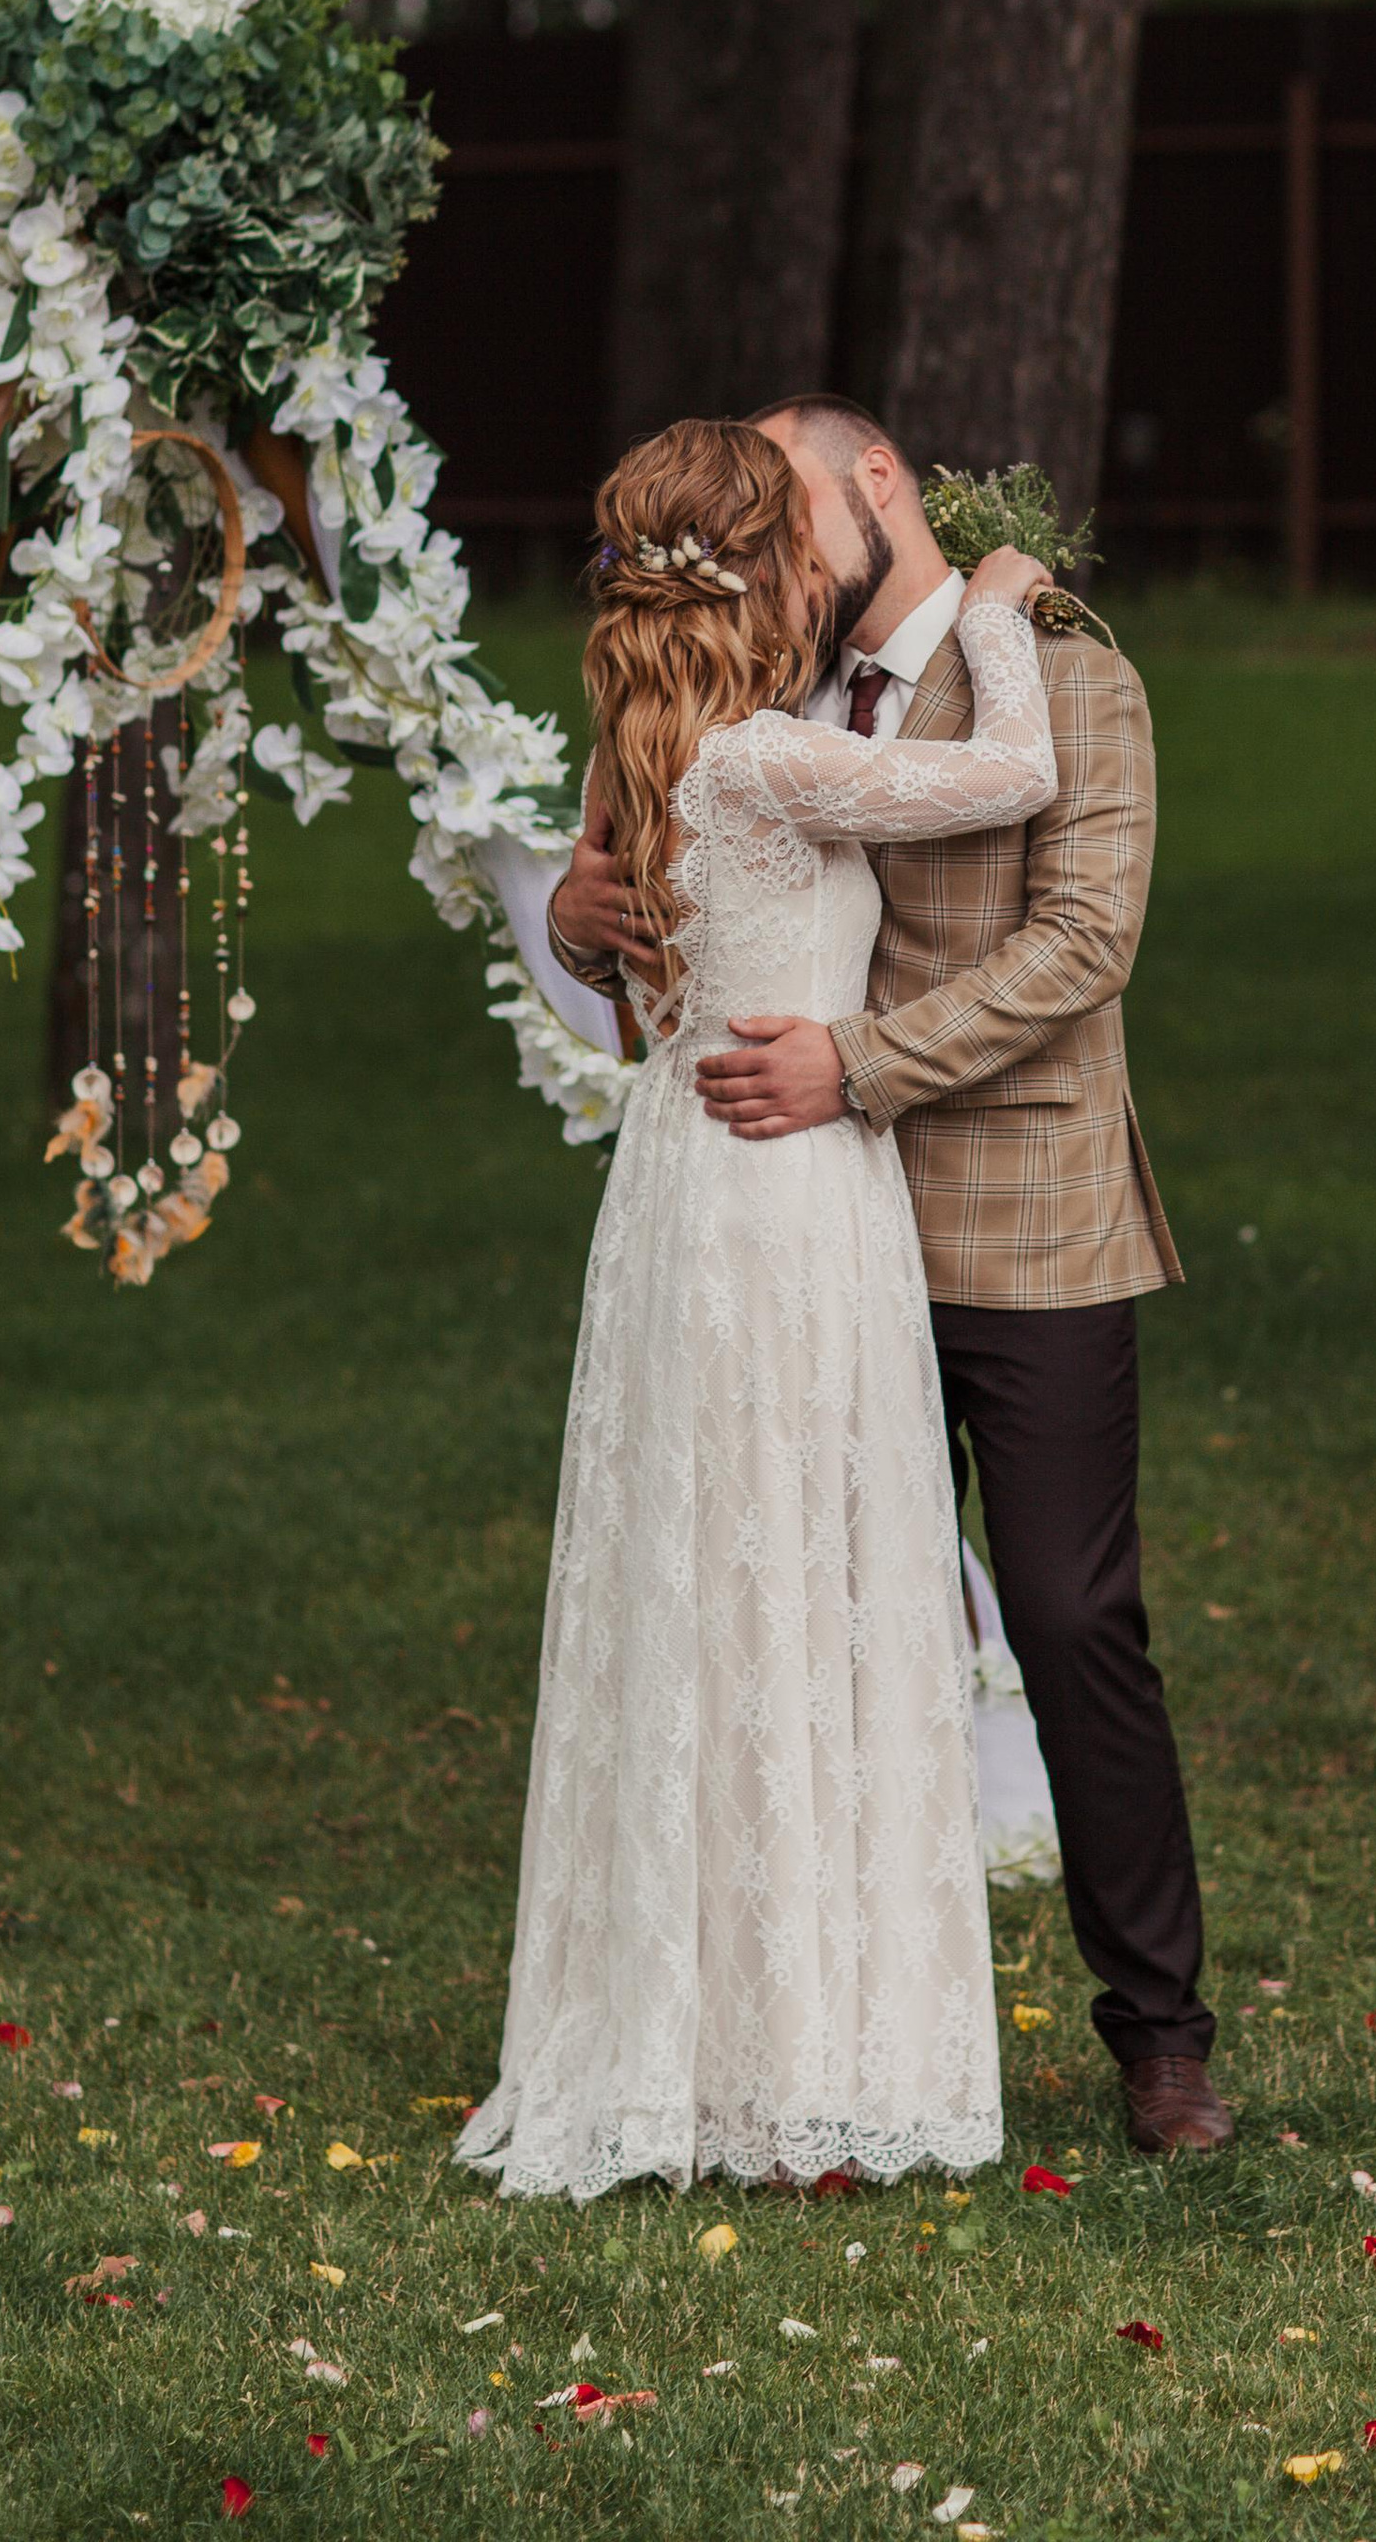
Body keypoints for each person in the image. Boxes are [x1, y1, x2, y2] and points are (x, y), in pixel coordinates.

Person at [551, 396, 1232, 2160]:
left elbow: (1082, 941)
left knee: (1075, 1620)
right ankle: (827, 2023)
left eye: (786, 506)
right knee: (822, 1615)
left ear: (875, 491)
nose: (766, 546)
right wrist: (578, 908)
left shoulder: (1064, 668)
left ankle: (1160, 2033)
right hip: (802, 1237)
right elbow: (671, 874)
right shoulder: (754, 691)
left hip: (1016, 1213)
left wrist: (855, 1066)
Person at [456, 419, 1058, 2201]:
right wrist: (1006, 601)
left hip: (673, 1189)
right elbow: (1011, 770)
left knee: (702, 1582)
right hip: (790, 1196)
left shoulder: (641, 757)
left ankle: (698, 2027)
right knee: (807, 1574)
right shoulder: (772, 763)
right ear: (777, 575)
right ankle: (802, 2054)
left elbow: (628, 990)